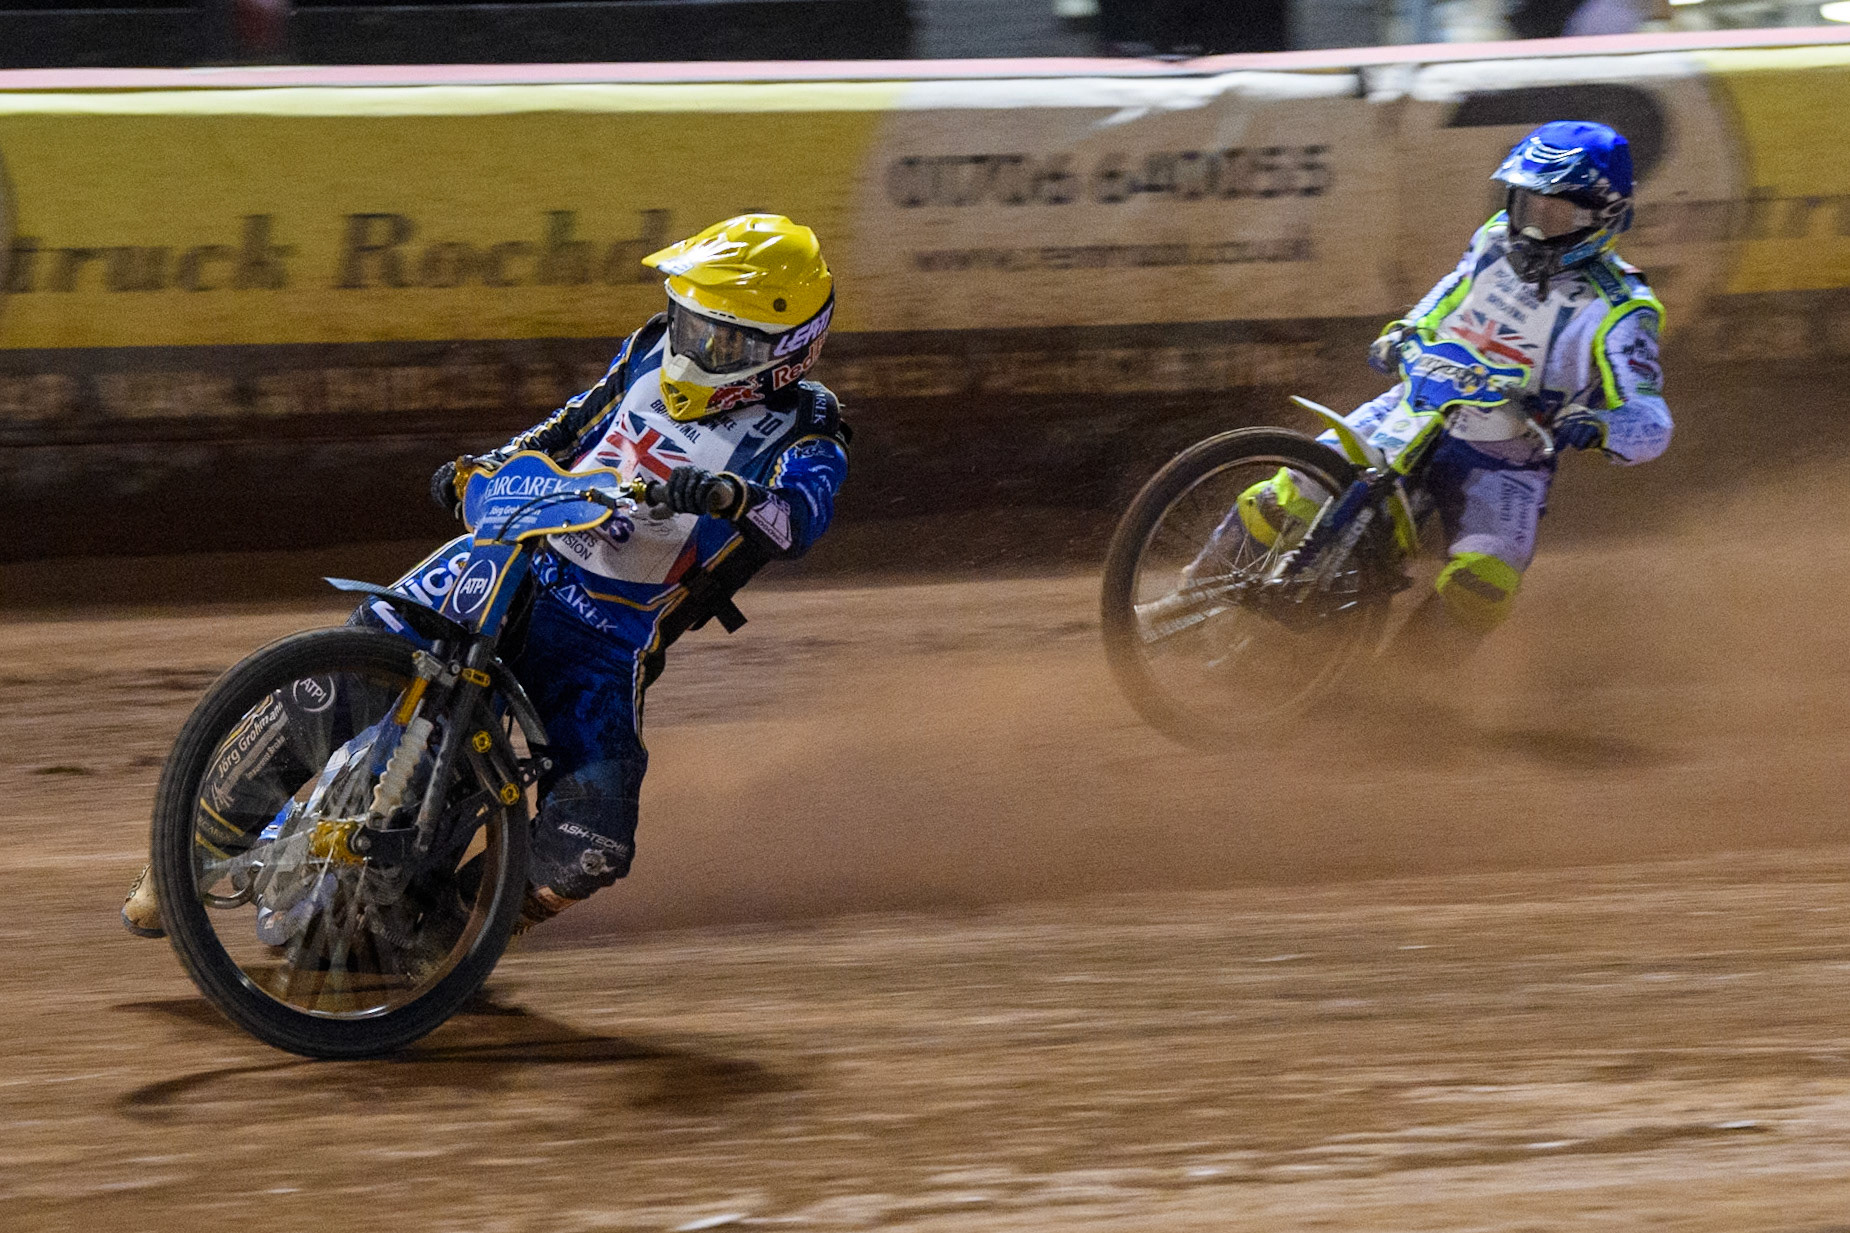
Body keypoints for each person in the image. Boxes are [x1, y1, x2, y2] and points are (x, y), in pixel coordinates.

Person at [123, 213, 850, 937]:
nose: (691, 343)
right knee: (350, 663)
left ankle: (448, 934)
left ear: (779, 354)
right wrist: (486, 464)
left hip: (605, 637)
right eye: (689, 322)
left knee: (593, 841)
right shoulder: (647, 351)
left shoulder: (810, 431)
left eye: (717, 336)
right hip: (518, 552)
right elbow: (566, 428)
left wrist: (732, 495)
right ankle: (186, 851)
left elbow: (797, 519)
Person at [1229, 120, 1670, 645]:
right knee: (1282, 498)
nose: (1531, 227)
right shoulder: (1492, 240)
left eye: (1554, 213)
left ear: (1604, 216)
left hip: (1508, 458)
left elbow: (1652, 421)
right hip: (1415, 405)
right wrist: (1406, 331)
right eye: (1527, 205)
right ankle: (1191, 593)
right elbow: (1449, 294)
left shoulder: (1624, 309)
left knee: (1482, 585)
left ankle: (1411, 691)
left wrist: (1596, 426)